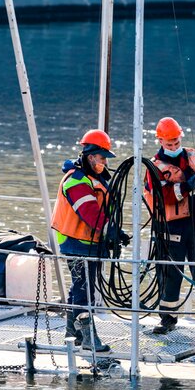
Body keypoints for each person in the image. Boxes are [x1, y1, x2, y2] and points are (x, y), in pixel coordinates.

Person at [51, 129, 128, 352]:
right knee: (83, 289)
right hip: (76, 243)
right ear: (91, 156)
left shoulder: (93, 179)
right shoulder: (76, 181)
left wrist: (116, 232)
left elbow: (102, 213)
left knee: (80, 287)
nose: (105, 162)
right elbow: (91, 214)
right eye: (103, 157)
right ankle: (88, 338)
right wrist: (110, 231)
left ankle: (72, 333)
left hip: (90, 243)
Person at [144, 117, 195, 334]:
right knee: (170, 275)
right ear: (160, 141)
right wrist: (186, 186)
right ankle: (167, 319)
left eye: (176, 142)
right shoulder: (154, 166)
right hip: (171, 230)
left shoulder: (194, 156)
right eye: (169, 144)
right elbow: (162, 196)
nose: (174, 147)